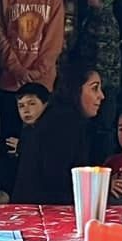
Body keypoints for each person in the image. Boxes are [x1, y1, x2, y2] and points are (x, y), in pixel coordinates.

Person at [0, 0, 67, 168]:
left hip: (42, 83)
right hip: (11, 82)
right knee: (10, 139)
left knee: (42, 138)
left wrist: (36, 72)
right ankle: (8, 189)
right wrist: (17, 68)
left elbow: (54, 39)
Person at [11, 65, 106, 204]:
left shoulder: (60, 118)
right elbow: (58, 180)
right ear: (76, 90)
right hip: (43, 213)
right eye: (94, 88)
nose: (101, 96)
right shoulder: (64, 123)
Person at [75, 0, 122, 139]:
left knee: (103, 127)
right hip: (100, 82)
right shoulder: (94, 17)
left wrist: (95, 83)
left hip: (105, 84)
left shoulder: (104, 22)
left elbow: (103, 57)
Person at [2, 81, 49, 181]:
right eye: (21, 106)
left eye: (32, 103)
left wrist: (24, 147)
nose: (26, 110)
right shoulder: (27, 131)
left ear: (45, 104)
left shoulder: (52, 129)